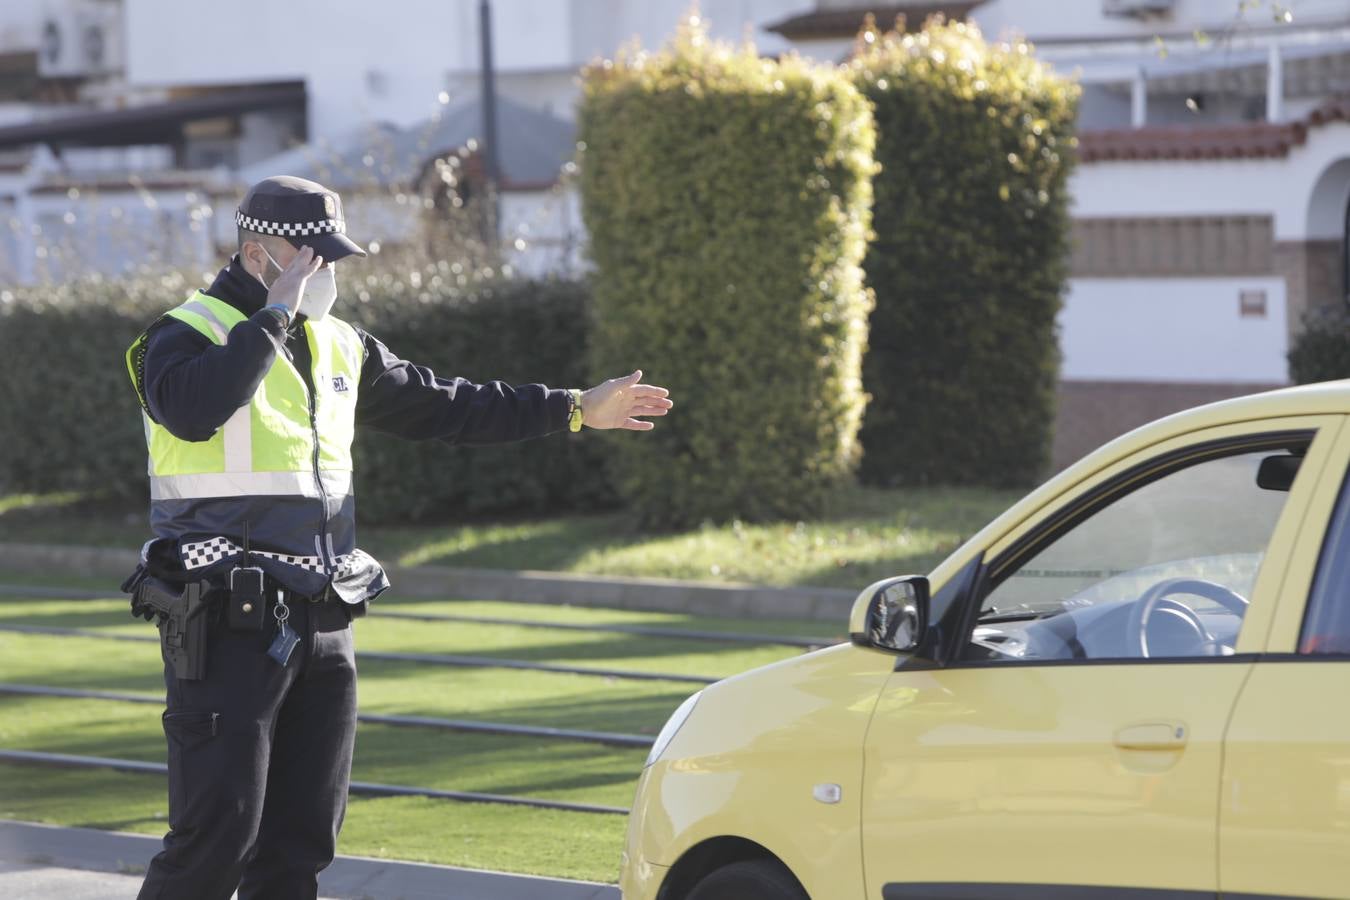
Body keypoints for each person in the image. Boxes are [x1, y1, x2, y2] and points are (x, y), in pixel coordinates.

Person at [122, 175, 673, 900]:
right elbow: (193, 412)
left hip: (320, 620)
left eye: (332, 259)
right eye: (311, 258)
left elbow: (451, 405)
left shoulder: (340, 346)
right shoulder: (179, 337)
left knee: (299, 846)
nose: (326, 274)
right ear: (258, 252)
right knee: (213, 840)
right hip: (225, 622)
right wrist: (272, 320)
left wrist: (575, 408)